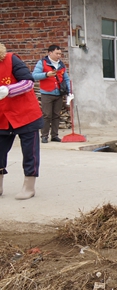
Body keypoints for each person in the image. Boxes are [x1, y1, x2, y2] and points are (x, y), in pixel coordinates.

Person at [0, 43, 43, 200]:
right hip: (2, 116)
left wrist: (7, 90)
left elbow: (28, 82)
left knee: (29, 152)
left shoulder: (11, 60)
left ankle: (29, 186)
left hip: (24, 114)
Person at [33, 45, 72, 143]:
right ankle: (44, 135)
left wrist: (69, 90)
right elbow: (34, 75)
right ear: (50, 53)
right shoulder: (42, 63)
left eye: (60, 54)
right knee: (47, 115)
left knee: (56, 115)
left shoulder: (61, 65)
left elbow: (66, 78)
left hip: (59, 93)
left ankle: (54, 135)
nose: (59, 56)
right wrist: (46, 74)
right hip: (47, 93)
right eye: (57, 53)